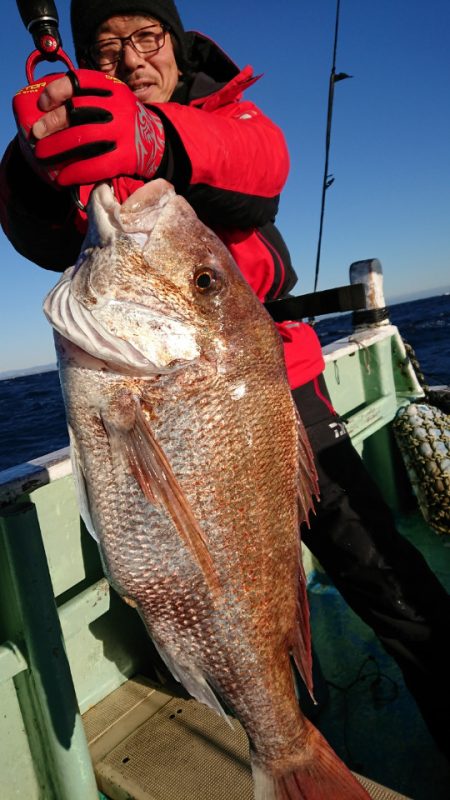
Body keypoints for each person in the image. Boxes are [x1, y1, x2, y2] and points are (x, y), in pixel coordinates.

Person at [1, 0, 449, 761]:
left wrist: (156, 138)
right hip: (166, 384)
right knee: (199, 605)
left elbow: (259, 168)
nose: (133, 58)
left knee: (383, 572)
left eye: (147, 36)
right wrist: (32, 162)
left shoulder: (226, 114)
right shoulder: (93, 152)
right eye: (106, 48)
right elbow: (36, 232)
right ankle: (272, 731)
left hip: (282, 391)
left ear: (175, 44)